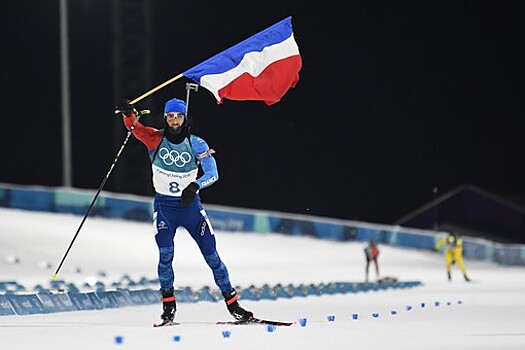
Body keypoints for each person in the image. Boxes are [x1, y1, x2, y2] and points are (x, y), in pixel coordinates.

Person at [115, 98, 253, 324]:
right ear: (166, 118)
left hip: (190, 208)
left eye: (178, 116)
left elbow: (213, 173)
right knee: (165, 255)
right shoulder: (155, 139)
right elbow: (134, 129)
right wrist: (128, 113)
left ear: (184, 118)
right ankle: (168, 306)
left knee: (212, 256)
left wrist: (195, 185)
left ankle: (233, 304)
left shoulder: (196, 143)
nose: (175, 120)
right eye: (171, 116)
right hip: (165, 208)